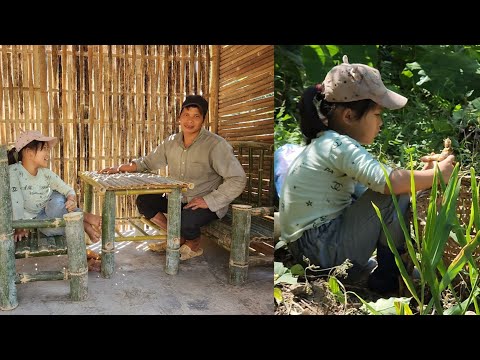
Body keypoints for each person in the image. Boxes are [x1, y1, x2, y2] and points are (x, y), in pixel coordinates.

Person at [279, 55, 455, 294]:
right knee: (393, 194)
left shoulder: (325, 143)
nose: (381, 123)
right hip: (320, 248)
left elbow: (373, 191)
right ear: (349, 116)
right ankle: (389, 278)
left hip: (311, 247)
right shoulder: (338, 145)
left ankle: (388, 272)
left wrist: (418, 179)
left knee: (394, 191)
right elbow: (387, 184)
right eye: (377, 114)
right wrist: (437, 176)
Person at [100, 94, 247, 260]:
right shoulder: (171, 142)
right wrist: (120, 168)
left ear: (203, 120)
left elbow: (238, 178)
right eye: (186, 115)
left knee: (186, 220)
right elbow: (148, 162)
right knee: (144, 201)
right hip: (179, 200)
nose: (190, 121)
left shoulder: (216, 145)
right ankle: (176, 237)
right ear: (179, 117)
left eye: (196, 116)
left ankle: (194, 243)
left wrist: (209, 200)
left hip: (205, 203)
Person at [8, 130, 102, 243]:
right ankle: (83, 224)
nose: (48, 153)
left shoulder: (46, 173)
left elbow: (68, 190)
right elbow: (16, 201)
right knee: (48, 229)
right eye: (44, 149)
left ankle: (85, 216)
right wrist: (19, 228)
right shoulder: (14, 172)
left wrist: (71, 199)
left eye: (48, 149)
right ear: (29, 152)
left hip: (52, 201)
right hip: (37, 216)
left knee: (53, 209)